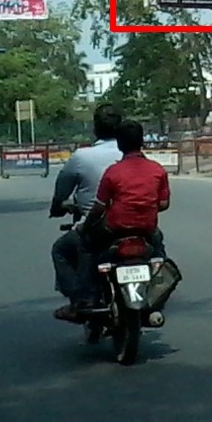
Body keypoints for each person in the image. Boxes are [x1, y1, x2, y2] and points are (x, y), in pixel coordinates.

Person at [56, 120, 170, 322]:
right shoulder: (157, 170)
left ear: (119, 144)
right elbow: (163, 204)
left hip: (113, 228)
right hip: (146, 229)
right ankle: (156, 298)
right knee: (159, 254)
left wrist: (84, 226)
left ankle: (85, 298)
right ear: (142, 141)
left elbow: (99, 207)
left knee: (85, 246)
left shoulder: (114, 172)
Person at [49, 104, 127, 308]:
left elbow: (62, 190)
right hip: (137, 224)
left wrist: (57, 207)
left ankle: (80, 299)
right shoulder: (133, 156)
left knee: (61, 250)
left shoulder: (82, 156)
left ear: (95, 128)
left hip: (98, 227)